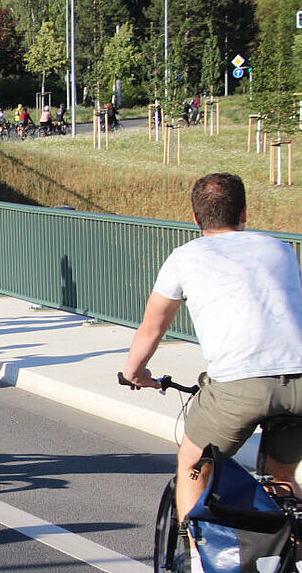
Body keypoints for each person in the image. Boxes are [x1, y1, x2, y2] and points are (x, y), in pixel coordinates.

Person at [122, 173, 302, 524]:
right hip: (300, 381)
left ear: (195, 218)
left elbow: (153, 326)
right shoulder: (281, 249)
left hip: (239, 386)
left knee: (193, 462)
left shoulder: (185, 257)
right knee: (282, 478)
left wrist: (134, 372)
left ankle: (198, 556)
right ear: (244, 212)